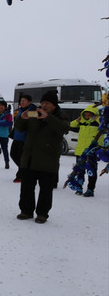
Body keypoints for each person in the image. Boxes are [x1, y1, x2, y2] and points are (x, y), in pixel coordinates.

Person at [15, 90, 69, 224]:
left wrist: (48, 117)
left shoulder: (61, 116)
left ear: (54, 105)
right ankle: (26, 211)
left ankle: (42, 213)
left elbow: (64, 129)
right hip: (30, 157)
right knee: (27, 187)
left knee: (45, 189)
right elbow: (19, 128)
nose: (44, 106)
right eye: (43, 103)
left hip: (48, 159)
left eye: (48, 103)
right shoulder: (34, 113)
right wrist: (22, 118)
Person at [69, 105, 102, 197]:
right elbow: (71, 125)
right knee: (79, 171)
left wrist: (98, 118)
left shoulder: (99, 123)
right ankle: (79, 187)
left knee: (91, 171)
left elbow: (105, 125)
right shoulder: (82, 122)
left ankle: (90, 189)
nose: (87, 117)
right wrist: (77, 120)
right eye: (86, 115)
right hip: (80, 151)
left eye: (89, 115)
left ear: (94, 115)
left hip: (92, 152)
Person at [10, 95, 37, 182]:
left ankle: (21, 174)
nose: (22, 102)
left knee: (22, 158)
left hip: (26, 139)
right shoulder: (19, 110)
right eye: (21, 101)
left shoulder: (33, 110)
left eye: (24, 101)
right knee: (13, 155)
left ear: (29, 102)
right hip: (17, 137)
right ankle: (24, 170)